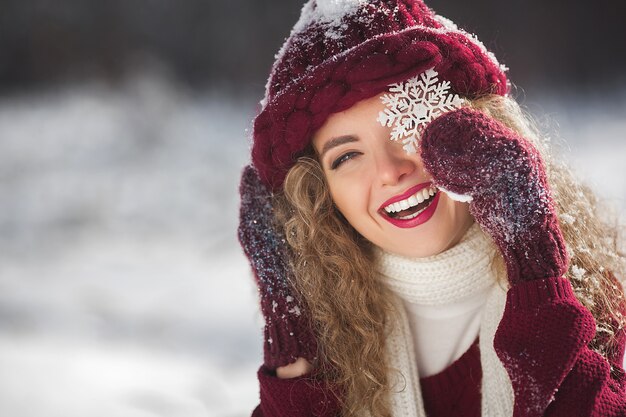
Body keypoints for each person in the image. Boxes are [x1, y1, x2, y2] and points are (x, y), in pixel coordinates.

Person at [237, 1, 626, 416]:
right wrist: (293, 334)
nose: (390, 171)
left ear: (477, 127)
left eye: (406, 126)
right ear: (320, 195)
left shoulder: (583, 302)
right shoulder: (330, 338)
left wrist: (534, 259)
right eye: (346, 156)